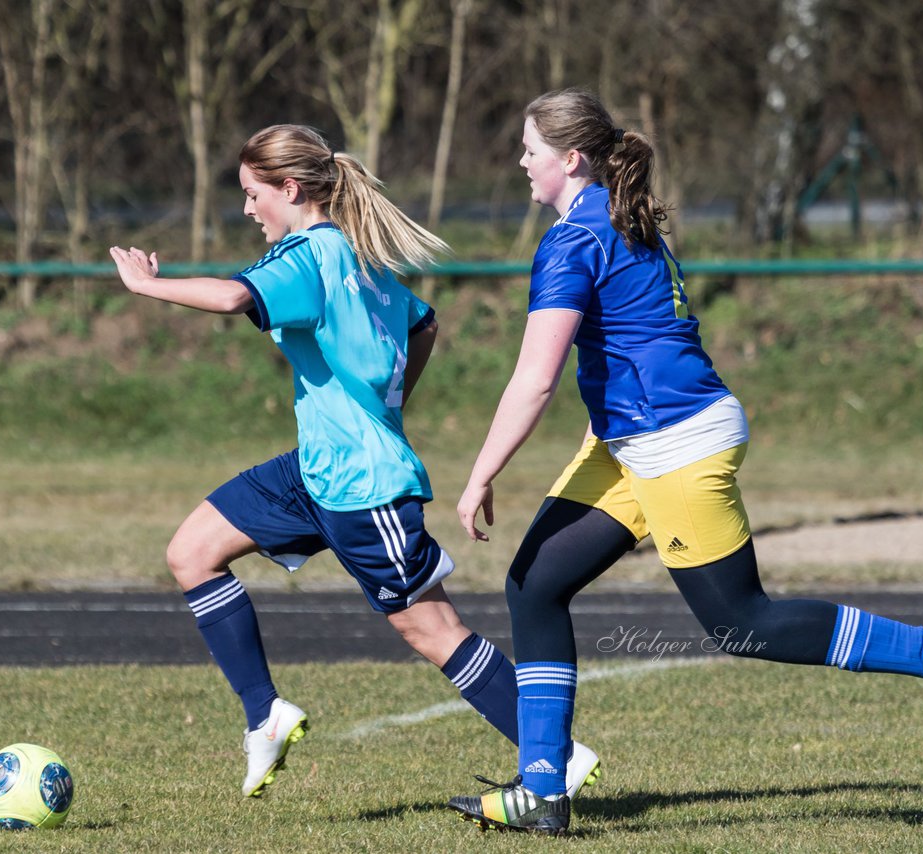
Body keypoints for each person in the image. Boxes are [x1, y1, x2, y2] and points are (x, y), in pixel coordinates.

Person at [446, 89, 923, 837]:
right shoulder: (614, 216)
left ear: (569, 159)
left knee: (744, 624)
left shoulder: (578, 237)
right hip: (630, 442)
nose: (520, 162)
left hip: (674, 444)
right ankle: (542, 792)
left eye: (530, 150)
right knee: (535, 585)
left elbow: (536, 378)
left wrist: (481, 473)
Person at [109, 124, 603, 801]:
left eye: (254, 195)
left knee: (434, 631)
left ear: (290, 189)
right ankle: (266, 716)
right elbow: (423, 323)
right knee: (192, 551)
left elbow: (231, 297)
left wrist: (146, 287)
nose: (248, 209)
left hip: (362, 487)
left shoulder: (308, 256)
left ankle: (557, 754)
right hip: (318, 469)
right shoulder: (354, 253)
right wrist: (385, 406)